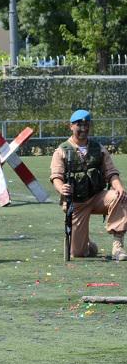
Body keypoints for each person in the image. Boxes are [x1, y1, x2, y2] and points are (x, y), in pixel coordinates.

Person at [50, 109, 127, 260]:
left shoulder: (98, 149)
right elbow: (56, 176)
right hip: (77, 203)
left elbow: (111, 172)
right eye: (79, 125)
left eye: (86, 125)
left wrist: (118, 186)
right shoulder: (62, 151)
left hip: (98, 197)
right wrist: (61, 188)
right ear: (71, 126)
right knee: (77, 253)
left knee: (121, 196)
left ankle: (118, 246)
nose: (83, 129)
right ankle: (87, 244)